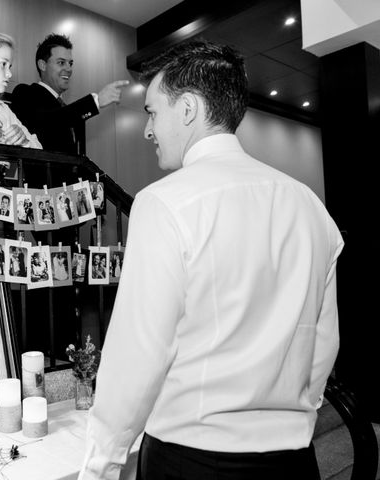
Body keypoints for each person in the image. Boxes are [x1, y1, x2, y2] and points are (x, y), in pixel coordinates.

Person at [78, 40, 344, 480]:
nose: (148, 130)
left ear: (187, 110)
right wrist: (291, 422)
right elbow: (323, 345)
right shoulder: (310, 206)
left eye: (152, 112)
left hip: (192, 461)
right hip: (295, 463)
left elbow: (137, 356)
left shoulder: (163, 204)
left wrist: (100, 465)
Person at [10, 33, 129, 154]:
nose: (69, 69)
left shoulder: (68, 110)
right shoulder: (25, 92)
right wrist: (95, 101)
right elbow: (47, 124)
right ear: (43, 65)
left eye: (70, 63)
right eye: (61, 62)